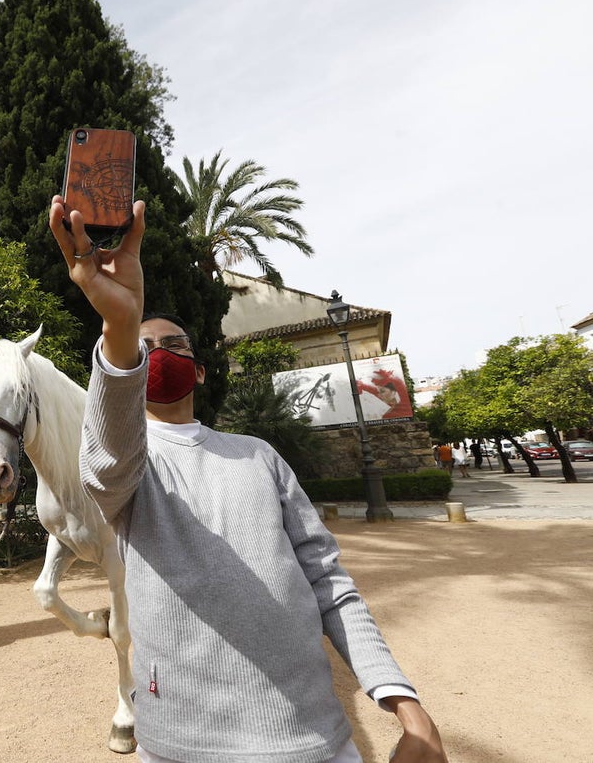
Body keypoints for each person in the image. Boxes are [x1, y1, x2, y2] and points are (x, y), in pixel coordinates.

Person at [49, 195, 446, 763]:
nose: (158, 353)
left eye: (174, 346)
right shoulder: (127, 462)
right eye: (145, 348)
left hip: (313, 740)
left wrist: (405, 704)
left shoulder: (258, 455)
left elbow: (327, 581)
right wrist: (119, 324)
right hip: (181, 746)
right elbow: (109, 464)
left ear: (201, 369)